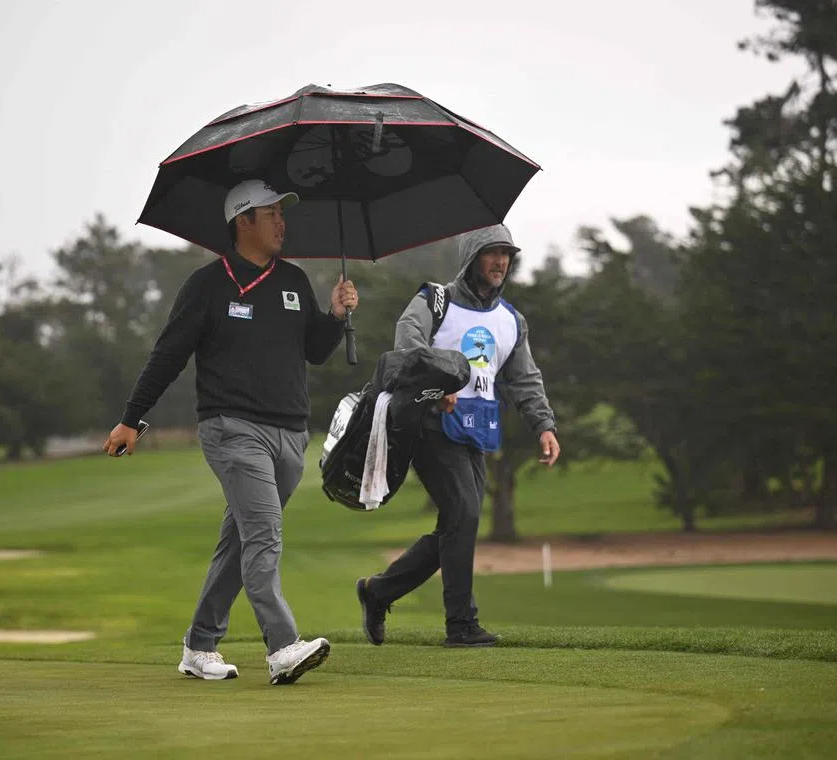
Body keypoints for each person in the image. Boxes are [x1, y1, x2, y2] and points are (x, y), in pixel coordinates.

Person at [103, 178, 359, 685]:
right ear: (243, 222)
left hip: (290, 434)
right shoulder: (207, 285)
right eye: (272, 214)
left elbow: (314, 350)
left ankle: (199, 644)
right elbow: (168, 354)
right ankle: (283, 646)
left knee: (241, 542)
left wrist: (335, 314)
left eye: (282, 213)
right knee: (263, 531)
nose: (282, 222)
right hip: (232, 429)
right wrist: (132, 417)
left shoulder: (293, 280)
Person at [356, 224, 560, 647]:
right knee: (463, 516)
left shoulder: (511, 320)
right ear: (471, 258)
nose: (500, 262)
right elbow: (407, 340)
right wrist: (437, 379)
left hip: (477, 429)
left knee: (458, 523)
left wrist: (544, 425)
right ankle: (461, 624)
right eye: (491, 253)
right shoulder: (435, 300)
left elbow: (524, 378)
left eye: (506, 254)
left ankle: (379, 591)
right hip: (430, 423)